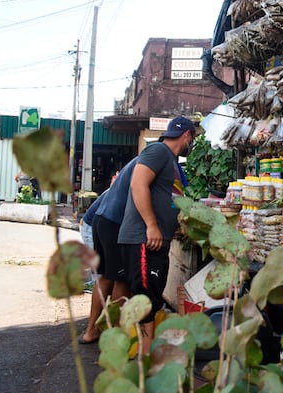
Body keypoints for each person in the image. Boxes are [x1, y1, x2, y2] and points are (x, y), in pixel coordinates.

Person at [117, 116, 195, 353]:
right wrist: (151, 225)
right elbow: (137, 184)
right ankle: (145, 363)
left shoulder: (171, 162)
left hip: (155, 240)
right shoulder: (158, 151)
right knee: (145, 299)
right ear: (187, 135)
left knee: (151, 296)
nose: (192, 143)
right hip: (144, 238)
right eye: (193, 139)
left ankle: (143, 355)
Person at [78, 157, 137, 344]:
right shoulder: (148, 167)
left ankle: (92, 330)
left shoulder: (132, 167)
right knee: (121, 279)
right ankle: (113, 337)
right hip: (106, 225)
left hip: (98, 222)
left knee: (105, 278)